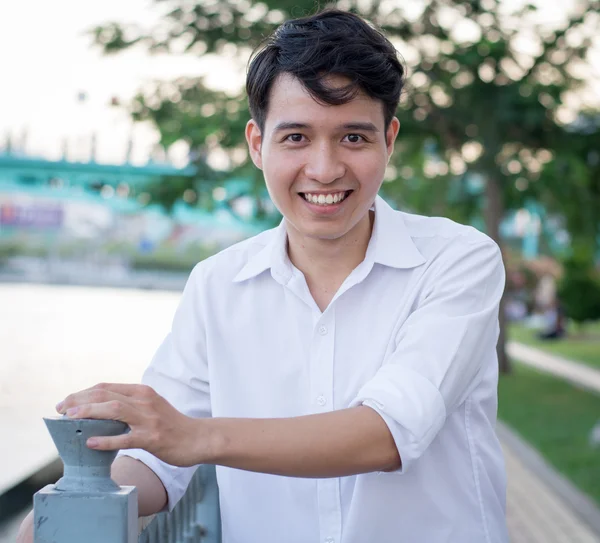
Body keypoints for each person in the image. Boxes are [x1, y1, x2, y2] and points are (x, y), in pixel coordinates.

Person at [19, 9, 508, 543]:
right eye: (296, 137)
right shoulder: (217, 284)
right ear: (257, 143)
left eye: (353, 138)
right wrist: (64, 508)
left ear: (388, 140)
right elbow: (159, 462)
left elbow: (389, 433)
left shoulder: (458, 260)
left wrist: (198, 437)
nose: (324, 169)